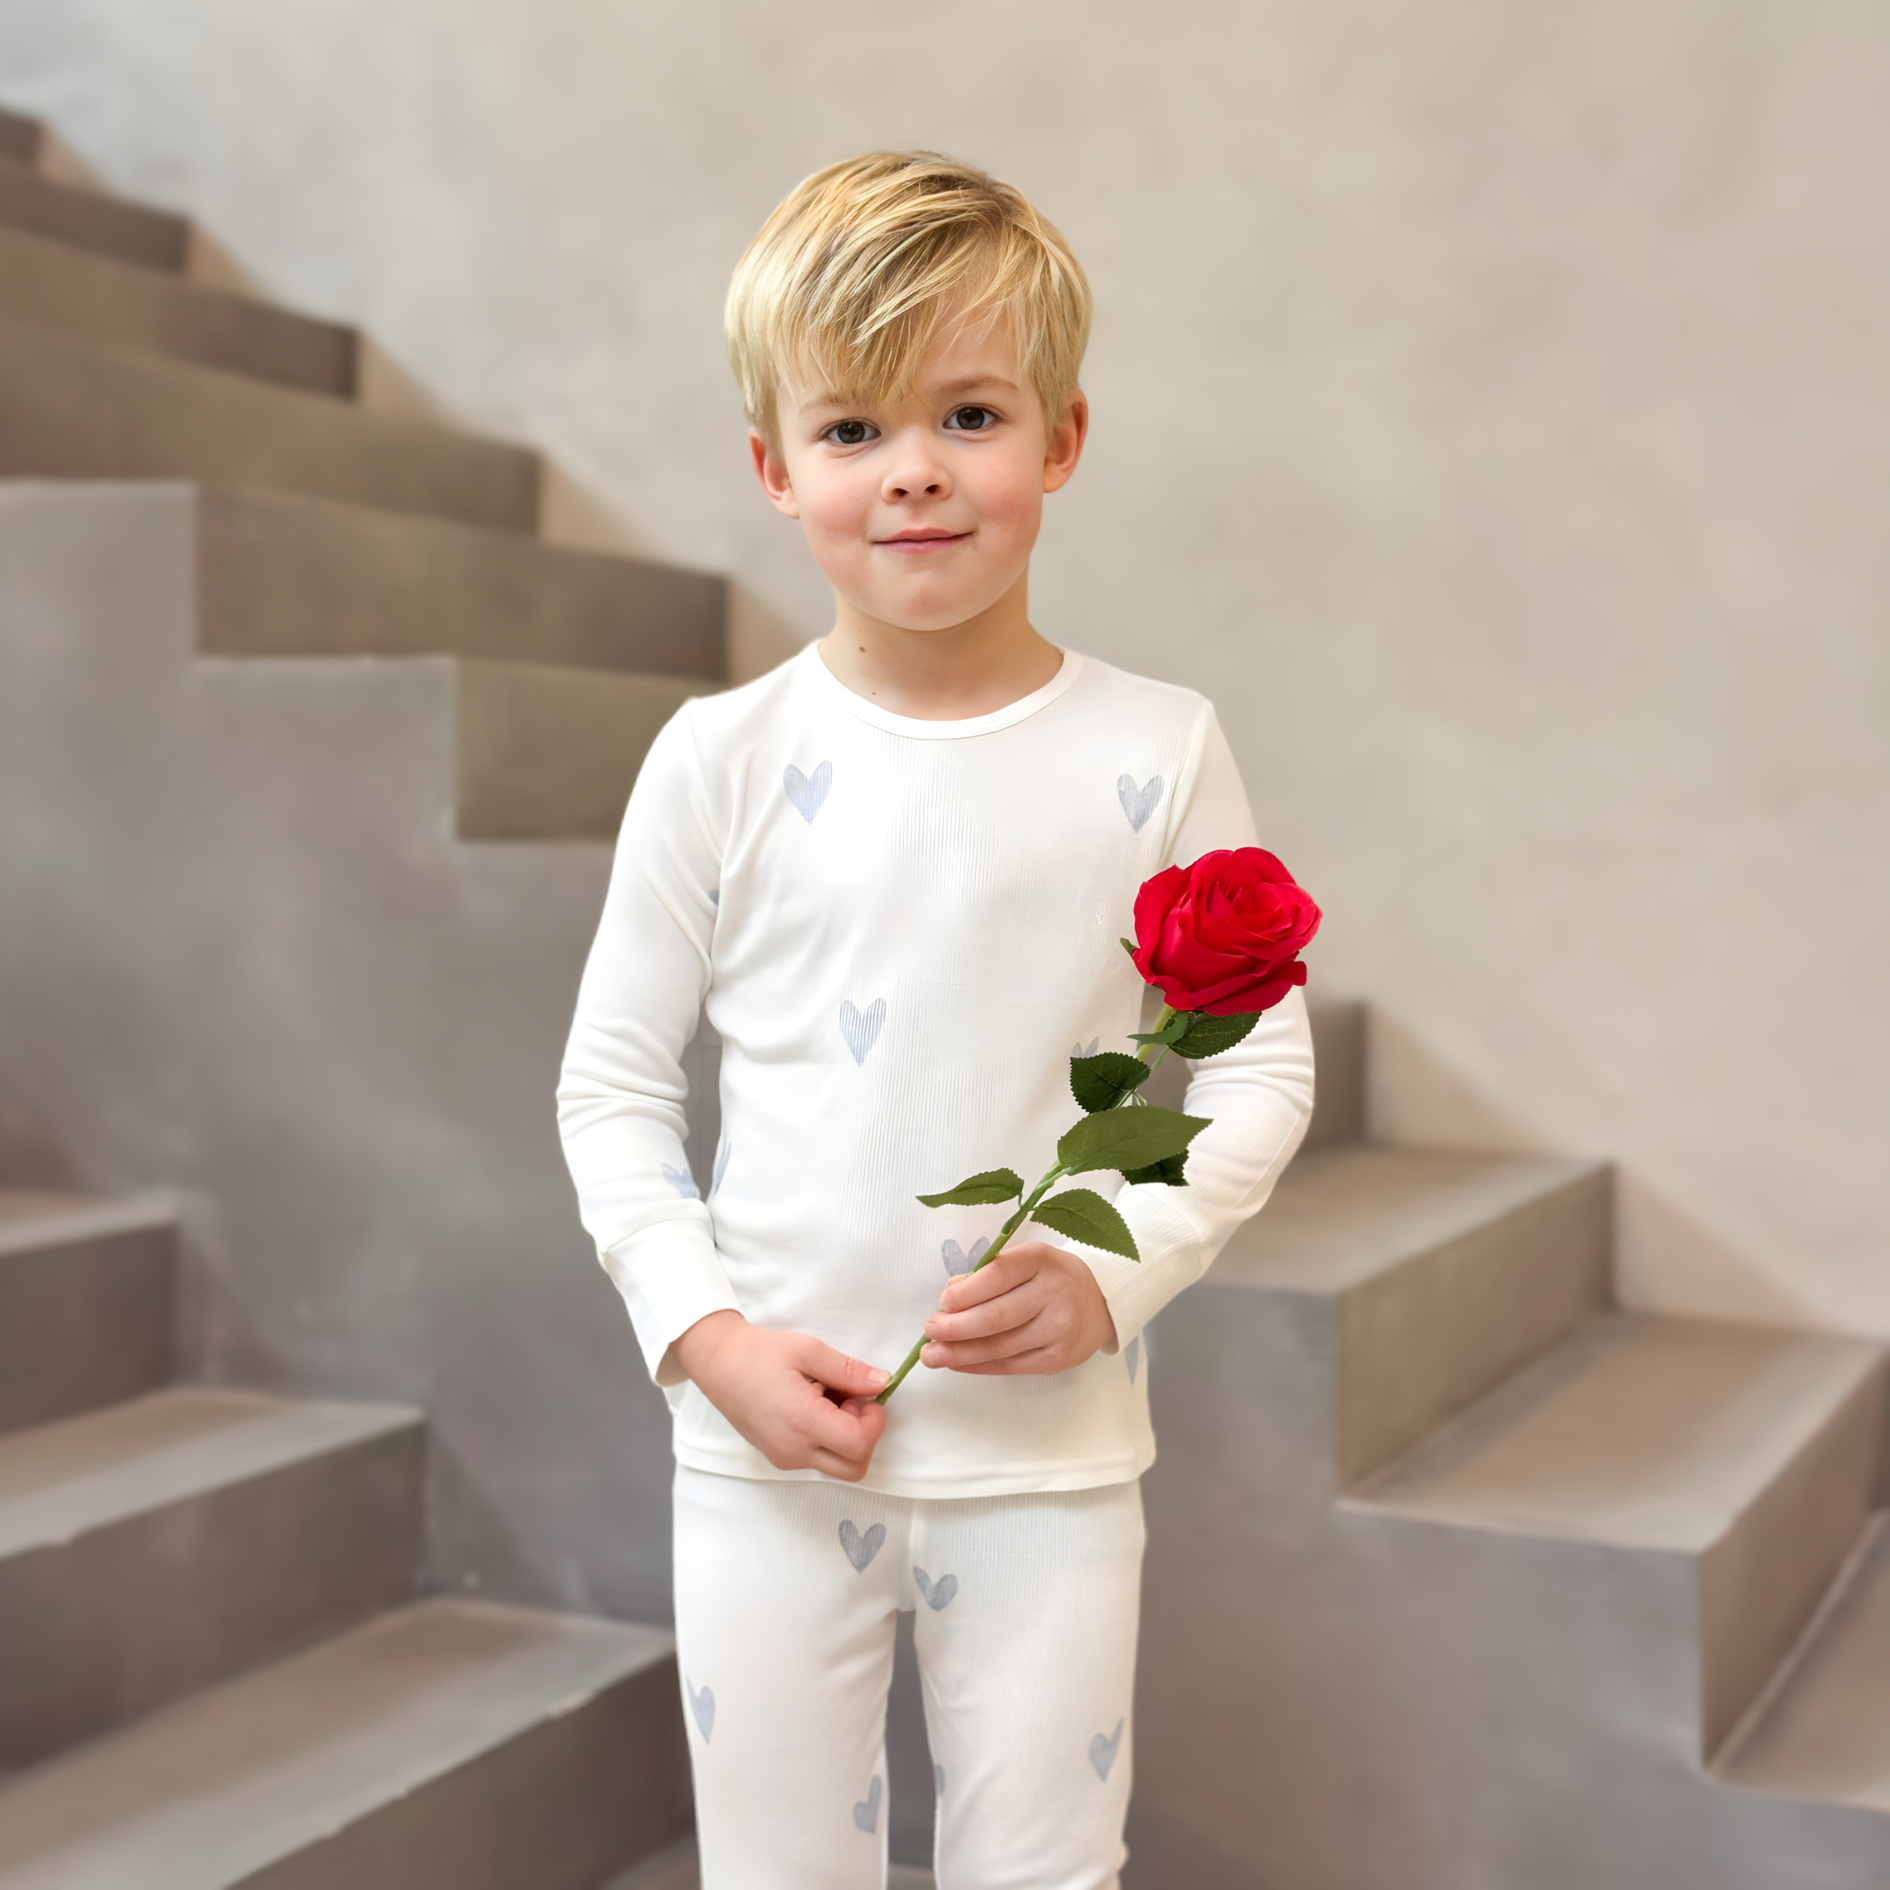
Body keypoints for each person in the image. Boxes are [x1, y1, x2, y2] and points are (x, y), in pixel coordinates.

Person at [556, 150, 1315, 1890]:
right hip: (763, 1458)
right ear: (773, 466)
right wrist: (706, 1335)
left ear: (1061, 437)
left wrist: (1117, 1271)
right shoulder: (718, 759)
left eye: (968, 415)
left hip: (1049, 1466)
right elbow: (611, 1086)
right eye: (851, 428)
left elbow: (1258, 1061)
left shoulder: (1159, 747)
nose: (912, 469)